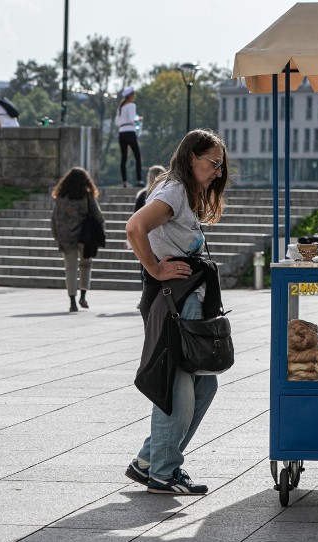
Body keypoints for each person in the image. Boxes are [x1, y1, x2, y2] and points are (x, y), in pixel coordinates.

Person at [124, 128, 229, 495]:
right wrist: (154, 267)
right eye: (212, 163)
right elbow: (135, 226)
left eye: (220, 165)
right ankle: (163, 472)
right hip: (172, 300)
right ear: (190, 157)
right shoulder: (173, 191)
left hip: (183, 298)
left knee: (204, 383)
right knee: (178, 391)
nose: (218, 172)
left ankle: (148, 462)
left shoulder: (181, 191)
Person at [49, 167, 105, 313]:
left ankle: (72, 301)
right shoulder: (87, 195)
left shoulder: (60, 197)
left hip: (66, 237)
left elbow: (54, 218)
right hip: (85, 236)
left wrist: (57, 235)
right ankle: (83, 296)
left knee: (70, 268)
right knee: (86, 264)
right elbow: (98, 215)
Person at [116, 86, 144, 188]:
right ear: (130, 96)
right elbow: (132, 118)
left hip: (121, 132)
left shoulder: (121, 107)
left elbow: (117, 121)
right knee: (137, 156)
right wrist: (139, 119)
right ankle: (139, 180)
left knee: (123, 158)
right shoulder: (131, 105)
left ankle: (124, 181)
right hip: (130, 131)